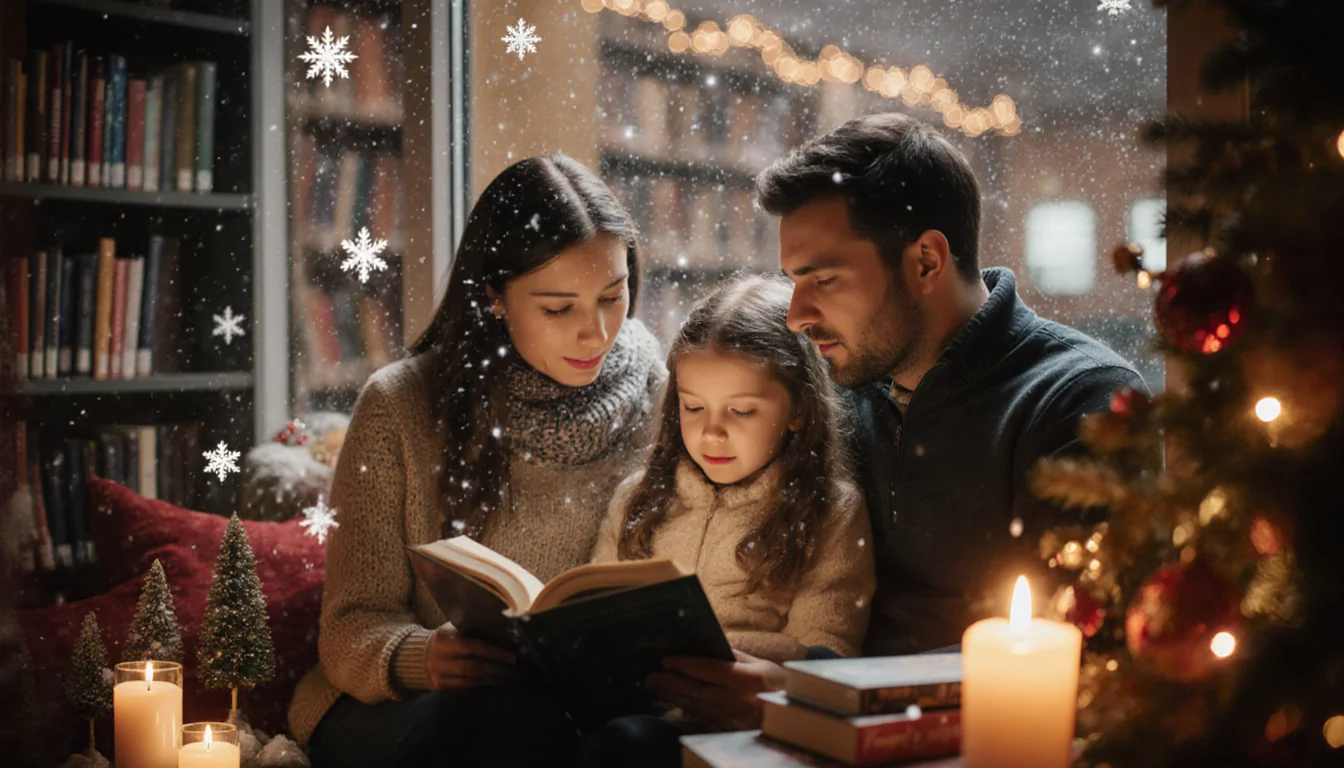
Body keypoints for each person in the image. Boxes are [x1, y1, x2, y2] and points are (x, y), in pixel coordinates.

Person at [642, 113, 1148, 735]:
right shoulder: (831, 392)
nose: (797, 316)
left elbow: (1072, 650)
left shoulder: (1083, 402)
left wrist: (806, 693)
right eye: (792, 282)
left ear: (928, 262)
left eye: (823, 280)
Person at [289, 155, 666, 768]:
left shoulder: (663, 393)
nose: (596, 333)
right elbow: (350, 627)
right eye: (557, 308)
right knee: (511, 723)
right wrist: (422, 656)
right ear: (494, 294)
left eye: (613, 295)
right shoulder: (399, 406)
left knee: (638, 745)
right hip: (408, 707)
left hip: (586, 711)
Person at [581, 276, 875, 768]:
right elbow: (595, 607)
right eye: (693, 407)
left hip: (743, 729)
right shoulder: (639, 496)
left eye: (741, 411)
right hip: (631, 712)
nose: (711, 432)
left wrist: (717, 649)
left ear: (798, 409)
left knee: (630, 747)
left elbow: (828, 654)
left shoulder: (830, 511)